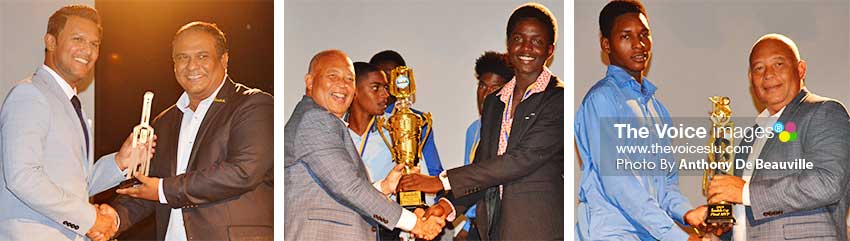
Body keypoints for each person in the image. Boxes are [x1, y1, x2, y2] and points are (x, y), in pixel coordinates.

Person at [399, 3, 564, 240]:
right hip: (493, 229)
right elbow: (484, 165)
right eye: (518, 38)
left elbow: (517, 161)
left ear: (550, 50)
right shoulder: (494, 103)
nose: (526, 48)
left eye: (537, 41)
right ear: (508, 45)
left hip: (537, 231)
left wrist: (441, 181)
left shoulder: (558, 99)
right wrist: (447, 205)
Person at [96, 21, 275, 241]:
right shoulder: (165, 121)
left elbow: (243, 171)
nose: (191, 66)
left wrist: (163, 189)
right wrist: (114, 218)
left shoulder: (253, 105)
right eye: (182, 57)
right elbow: (148, 186)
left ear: (224, 59)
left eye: (202, 56)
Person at [0, 5, 143, 241]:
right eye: (78, 39)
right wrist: (91, 219)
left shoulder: (69, 102)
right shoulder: (30, 94)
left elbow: (76, 184)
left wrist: (120, 162)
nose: (87, 50)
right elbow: (22, 177)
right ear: (51, 41)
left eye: (94, 44)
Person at [574, 1, 709, 240]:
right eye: (626, 36)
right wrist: (678, 237)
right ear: (606, 45)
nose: (639, 44)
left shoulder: (657, 109)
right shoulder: (602, 100)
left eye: (644, 34)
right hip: (614, 234)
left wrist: (688, 214)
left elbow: (666, 185)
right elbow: (619, 184)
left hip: (651, 233)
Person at [285, 49, 445, 240]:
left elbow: (335, 194)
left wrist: (384, 186)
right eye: (333, 76)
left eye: (349, 79)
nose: (342, 85)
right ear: (310, 82)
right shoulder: (315, 120)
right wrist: (415, 224)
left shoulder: (321, 119)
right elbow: (349, 188)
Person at [706, 33, 850, 241]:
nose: (768, 75)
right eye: (758, 68)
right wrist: (721, 229)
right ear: (750, 79)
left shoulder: (825, 112)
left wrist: (745, 192)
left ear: (800, 69)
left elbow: (828, 181)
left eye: (778, 64)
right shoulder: (751, 136)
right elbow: (752, 210)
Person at [456, 51, 512, 241]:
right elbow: (469, 178)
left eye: (495, 87)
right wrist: (464, 227)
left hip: (503, 226)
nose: (486, 94)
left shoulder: (512, 130)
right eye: (482, 86)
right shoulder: (473, 130)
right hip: (476, 225)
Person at [369, 50, 444, 180]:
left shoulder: (418, 121)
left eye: (392, 76)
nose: (387, 83)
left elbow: (433, 169)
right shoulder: (361, 119)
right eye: (380, 78)